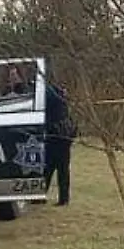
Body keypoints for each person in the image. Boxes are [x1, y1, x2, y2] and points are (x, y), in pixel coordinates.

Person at [43, 76, 75, 206]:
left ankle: (61, 198)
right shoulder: (58, 93)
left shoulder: (49, 93)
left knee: (51, 166)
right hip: (63, 134)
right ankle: (63, 198)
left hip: (57, 133)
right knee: (59, 168)